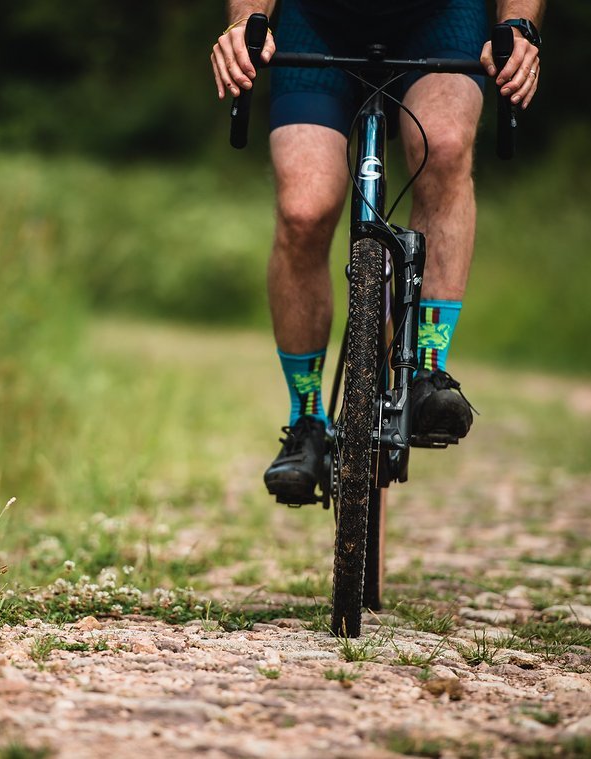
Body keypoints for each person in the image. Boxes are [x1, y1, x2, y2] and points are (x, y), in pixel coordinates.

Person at [211, 0, 543, 504]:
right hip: (318, 19)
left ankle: (428, 370)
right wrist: (245, 19)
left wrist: (518, 26)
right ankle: (306, 421)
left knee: (446, 147)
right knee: (303, 209)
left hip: (442, 15)